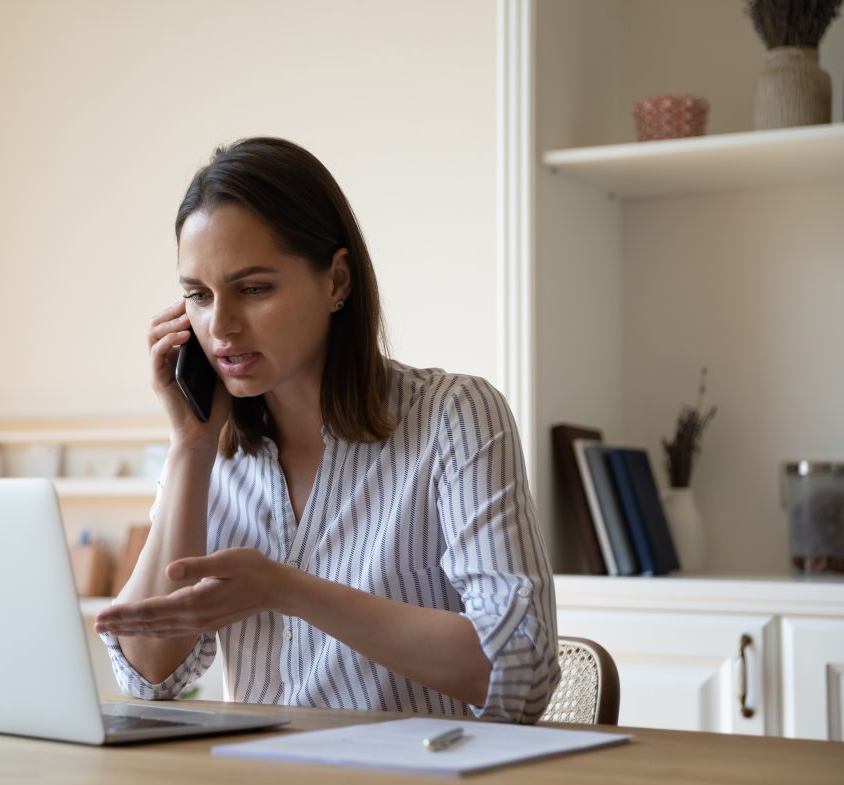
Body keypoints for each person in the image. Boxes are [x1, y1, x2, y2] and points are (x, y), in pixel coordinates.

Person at [94, 137, 558, 723]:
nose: (222, 325)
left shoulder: (454, 416)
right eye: (198, 296)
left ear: (337, 281)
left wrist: (286, 590)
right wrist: (190, 449)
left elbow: (523, 670)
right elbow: (149, 676)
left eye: (254, 288)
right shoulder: (209, 452)